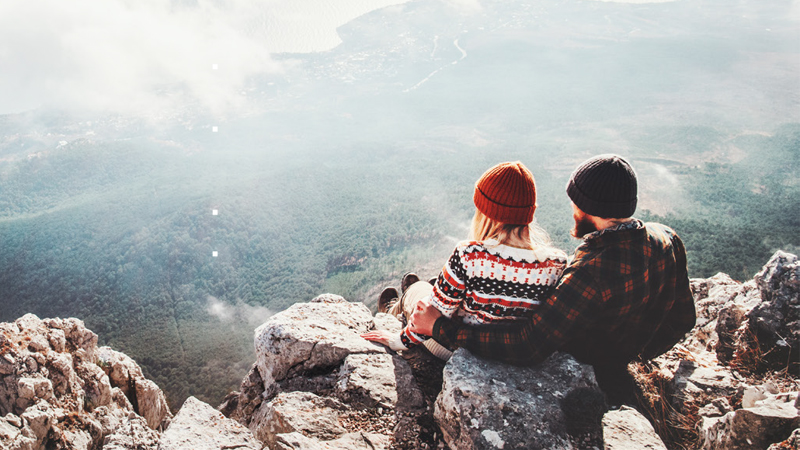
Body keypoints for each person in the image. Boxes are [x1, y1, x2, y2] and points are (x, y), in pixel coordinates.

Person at [409, 154, 697, 405]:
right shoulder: (666, 238)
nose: (571, 209)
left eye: (575, 201)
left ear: (586, 206)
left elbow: (527, 345)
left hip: (587, 372)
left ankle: (405, 298)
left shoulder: (589, 273)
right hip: (620, 359)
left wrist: (439, 327)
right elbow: (684, 318)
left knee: (421, 291)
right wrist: (636, 352)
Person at [362, 161, 568, 360]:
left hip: (455, 350)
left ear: (486, 212)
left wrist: (397, 340)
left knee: (418, 291)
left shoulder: (469, 255)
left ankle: (391, 310)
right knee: (432, 290)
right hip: (511, 353)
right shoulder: (557, 264)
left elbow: (430, 317)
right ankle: (438, 290)